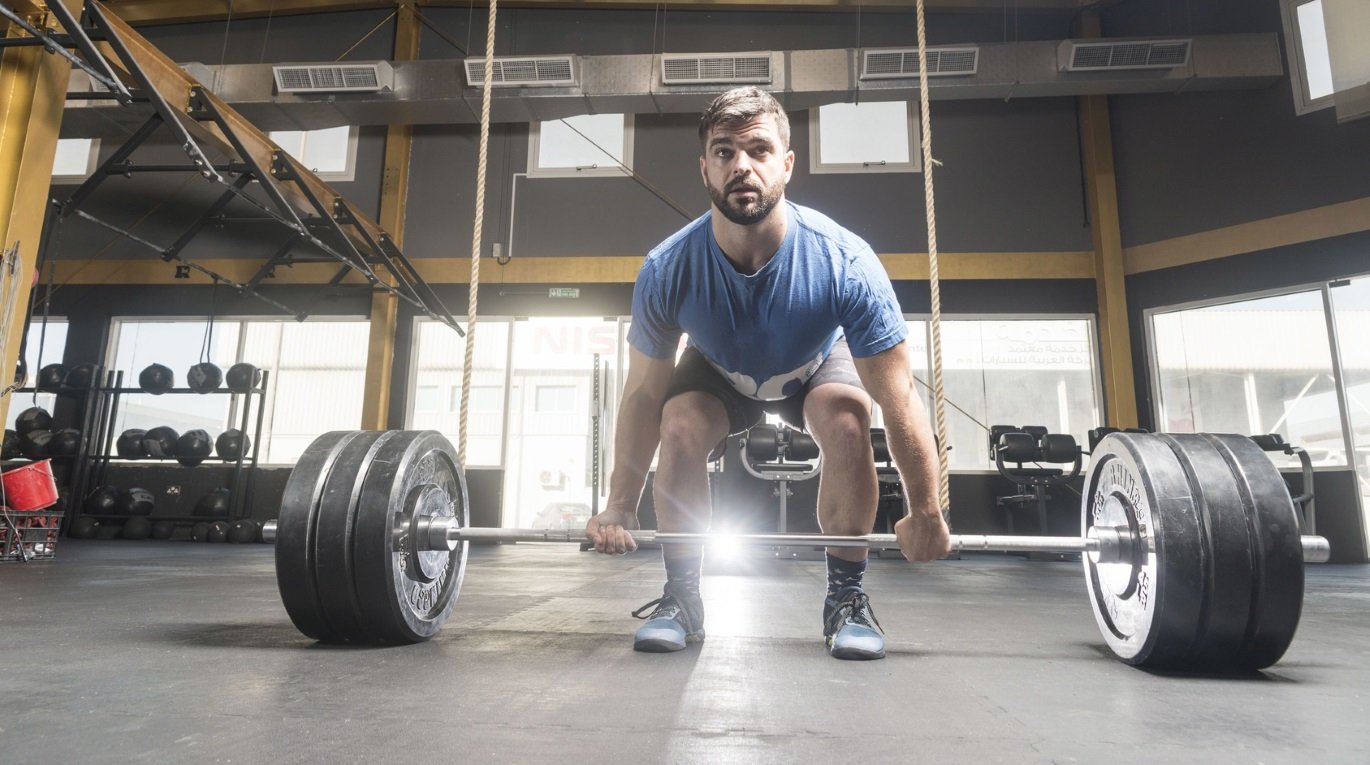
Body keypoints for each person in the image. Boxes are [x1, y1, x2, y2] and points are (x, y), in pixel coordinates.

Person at [585, 86, 951, 660]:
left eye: (758, 150)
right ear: (704, 167)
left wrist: (926, 509)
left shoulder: (844, 263)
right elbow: (641, 394)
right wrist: (620, 502)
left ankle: (846, 599)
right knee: (677, 423)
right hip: (717, 365)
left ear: (786, 163)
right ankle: (680, 596)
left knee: (850, 420)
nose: (741, 166)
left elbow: (899, 393)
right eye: (724, 152)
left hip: (813, 360)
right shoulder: (668, 267)